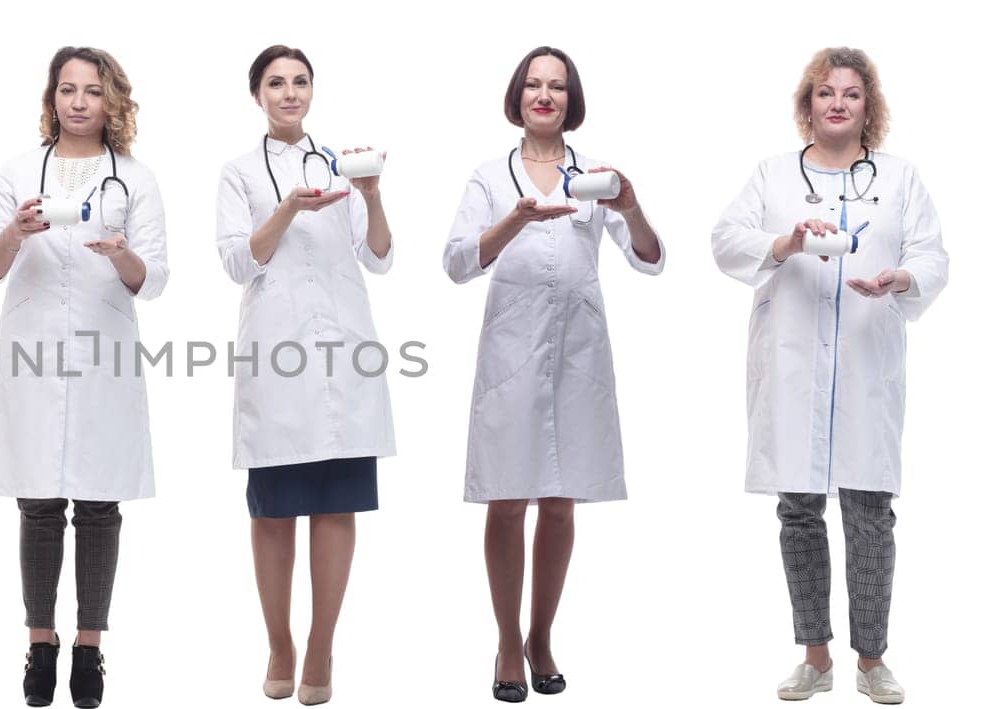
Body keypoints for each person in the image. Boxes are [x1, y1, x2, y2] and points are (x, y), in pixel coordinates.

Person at [711, 46, 946, 705]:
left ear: (869, 107)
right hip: (792, 365)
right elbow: (727, 239)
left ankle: (872, 659)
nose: (837, 102)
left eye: (851, 93)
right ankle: (814, 655)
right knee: (799, 509)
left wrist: (902, 277)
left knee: (871, 510)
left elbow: (931, 254)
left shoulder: (900, 178)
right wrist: (784, 241)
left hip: (867, 360)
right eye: (824, 92)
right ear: (807, 104)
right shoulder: (773, 175)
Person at [442, 45, 663, 703]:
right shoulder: (490, 175)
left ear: (572, 99)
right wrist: (515, 218)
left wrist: (629, 206)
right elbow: (456, 263)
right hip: (510, 354)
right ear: (517, 95)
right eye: (534, 85)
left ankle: (542, 635)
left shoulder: (596, 174)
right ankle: (507, 639)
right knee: (508, 498)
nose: (545, 96)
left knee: (562, 500)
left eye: (557, 87)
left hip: (577, 353)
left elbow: (650, 259)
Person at [0, 46, 167, 709]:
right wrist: (16, 231)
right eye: (66, 89)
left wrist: (122, 255)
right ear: (51, 98)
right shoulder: (19, 171)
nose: (78, 101)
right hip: (32, 350)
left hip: (104, 348)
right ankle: (39, 641)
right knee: (38, 502)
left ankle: (89, 647)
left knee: (101, 503)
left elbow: (156, 280)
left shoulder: (135, 179)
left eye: (92, 90)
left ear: (113, 101)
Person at [215, 44, 395, 706]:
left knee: (337, 498)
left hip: (345, 353)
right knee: (274, 508)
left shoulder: (340, 166)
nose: (289, 92)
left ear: (311, 91)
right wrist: (288, 208)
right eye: (276, 83)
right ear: (257, 96)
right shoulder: (239, 172)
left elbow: (378, 257)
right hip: (278, 355)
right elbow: (239, 261)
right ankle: (280, 641)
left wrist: (371, 198)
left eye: (299, 82)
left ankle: (321, 643)